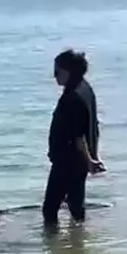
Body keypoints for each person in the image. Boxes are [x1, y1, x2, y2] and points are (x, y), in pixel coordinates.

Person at [43, 49, 105, 226]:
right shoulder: (85, 89)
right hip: (78, 161)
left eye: (57, 72)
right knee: (76, 205)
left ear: (68, 71)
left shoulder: (71, 99)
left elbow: (78, 136)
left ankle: (55, 248)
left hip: (68, 161)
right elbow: (91, 125)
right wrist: (92, 156)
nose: (54, 76)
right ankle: (79, 243)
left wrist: (90, 160)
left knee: (50, 209)